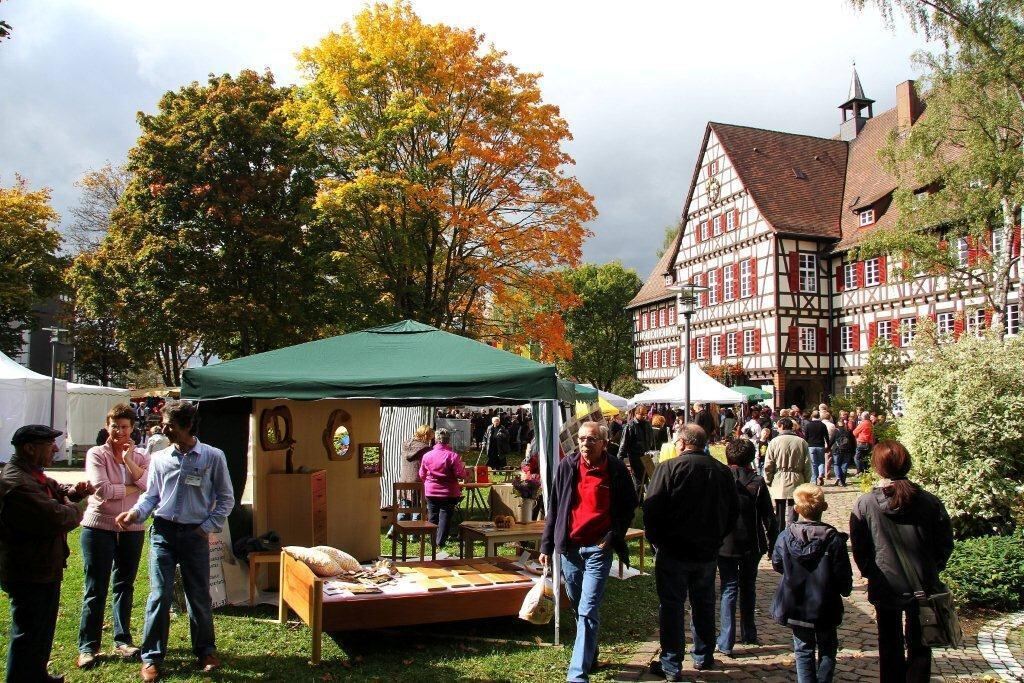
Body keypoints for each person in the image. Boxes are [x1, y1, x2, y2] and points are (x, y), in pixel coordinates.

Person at [115, 402, 234, 682]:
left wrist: (206, 528)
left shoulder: (213, 457)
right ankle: (152, 657)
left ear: (187, 425)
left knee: (198, 596)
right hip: (163, 534)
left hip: (195, 535)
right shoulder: (159, 458)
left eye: (169, 423)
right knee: (160, 594)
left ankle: (205, 651)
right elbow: (151, 496)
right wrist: (135, 512)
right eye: (164, 422)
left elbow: (226, 498)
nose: (164, 427)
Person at [540, 422, 637, 682]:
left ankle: (577, 675)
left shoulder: (615, 469)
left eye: (592, 439)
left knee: (588, 607)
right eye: (582, 439)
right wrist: (546, 545)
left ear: (604, 443)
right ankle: (590, 654)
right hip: (570, 548)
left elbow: (630, 504)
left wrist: (613, 536)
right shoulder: (567, 467)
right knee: (578, 605)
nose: (585, 444)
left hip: (598, 549)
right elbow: (555, 506)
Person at [850, 441, 954, 682]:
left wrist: (871, 572)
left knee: (889, 641)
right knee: (920, 643)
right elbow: (945, 542)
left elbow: (860, 547)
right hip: (922, 581)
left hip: (886, 581)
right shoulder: (929, 501)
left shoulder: (866, 504)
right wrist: (931, 568)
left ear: (877, 467)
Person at [1, 425, 94, 683]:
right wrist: (80, 505)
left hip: (42, 567)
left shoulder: (31, 474)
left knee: (40, 631)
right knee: (28, 633)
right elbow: (57, 517)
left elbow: (56, 489)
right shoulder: (17, 483)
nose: (56, 448)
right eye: (49, 444)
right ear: (30, 448)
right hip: (28, 571)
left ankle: (36, 674)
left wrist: (74, 493)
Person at [643, 424, 738, 677]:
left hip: (675, 550)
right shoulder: (722, 471)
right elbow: (733, 512)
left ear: (683, 443)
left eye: (676, 442)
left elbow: (651, 509)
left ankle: (672, 663)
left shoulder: (669, 468)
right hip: (705, 550)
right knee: (703, 603)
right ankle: (703, 655)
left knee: (673, 606)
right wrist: (717, 537)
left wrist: (656, 540)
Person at [77, 404, 152, 669]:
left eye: (124, 427)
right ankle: (88, 647)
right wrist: (133, 486)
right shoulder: (96, 454)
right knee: (95, 587)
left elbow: (150, 485)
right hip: (99, 527)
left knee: (124, 585)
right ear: (107, 426)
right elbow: (103, 490)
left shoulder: (141, 456)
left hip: (132, 528)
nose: (119, 431)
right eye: (115, 426)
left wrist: (128, 460)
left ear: (133, 429)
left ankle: (122, 640)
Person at [771, 484, 853, 683]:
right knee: (827, 648)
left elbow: (777, 563)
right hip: (825, 603)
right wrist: (844, 589)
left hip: (797, 602)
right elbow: (842, 574)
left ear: (796, 509)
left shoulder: (786, 536)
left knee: (803, 649)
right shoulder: (833, 540)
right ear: (824, 507)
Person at [716, 439, 777, 656]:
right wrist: (773, 542)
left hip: (725, 543)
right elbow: (769, 517)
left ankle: (726, 640)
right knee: (748, 587)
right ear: (751, 458)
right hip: (752, 541)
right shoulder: (757, 482)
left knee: (728, 587)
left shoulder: (719, 479)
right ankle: (749, 633)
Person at [418, 428, 467, 546]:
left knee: (432, 515)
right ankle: (440, 541)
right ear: (448, 440)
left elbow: (421, 474)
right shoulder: (453, 456)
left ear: (435, 439)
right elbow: (460, 474)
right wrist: (466, 473)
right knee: (445, 516)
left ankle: (432, 541)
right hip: (448, 492)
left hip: (431, 491)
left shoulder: (427, 455)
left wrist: (430, 482)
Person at [763, 417, 812, 531]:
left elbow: (768, 463)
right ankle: (792, 532)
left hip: (779, 478)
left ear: (781, 426)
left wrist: (768, 479)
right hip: (797, 478)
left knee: (779, 510)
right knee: (794, 509)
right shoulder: (801, 442)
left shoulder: (774, 442)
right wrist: (806, 481)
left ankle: (780, 533)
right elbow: (807, 465)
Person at [398, 425, 434, 521]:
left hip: (404, 480)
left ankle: (394, 530)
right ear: (426, 435)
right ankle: (415, 534)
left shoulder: (405, 444)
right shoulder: (426, 448)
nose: (431, 439)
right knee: (418, 508)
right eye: (431, 436)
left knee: (404, 507)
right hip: (418, 480)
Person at [620, 406, 653, 495]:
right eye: (642, 414)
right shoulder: (630, 426)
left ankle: (646, 500)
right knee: (638, 483)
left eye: (645, 414)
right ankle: (638, 502)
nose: (644, 416)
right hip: (635, 458)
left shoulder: (647, 424)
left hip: (647, 456)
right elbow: (623, 445)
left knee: (650, 479)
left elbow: (650, 440)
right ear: (636, 414)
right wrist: (619, 460)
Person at [803, 411, 831, 487]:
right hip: (820, 446)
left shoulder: (808, 425)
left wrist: (805, 445)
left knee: (813, 463)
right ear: (819, 416)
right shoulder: (823, 425)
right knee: (821, 462)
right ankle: (821, 474)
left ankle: (814, 480)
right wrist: (828, 445)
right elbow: (826, 437)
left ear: (812, 416)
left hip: (811, 446)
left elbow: (806, 436)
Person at [829, 420, 855, 487]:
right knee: (844, 466)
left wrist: (828, 448)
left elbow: (831, 441)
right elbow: (853, 442)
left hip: (837, 450)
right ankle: (842, 481)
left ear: (837, 424)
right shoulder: (848, 431)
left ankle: (838, 477)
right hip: (847, 451)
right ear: (844, 425)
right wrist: (853, 451)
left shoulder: (836, 431)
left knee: (836, 464)